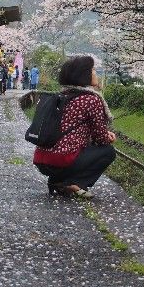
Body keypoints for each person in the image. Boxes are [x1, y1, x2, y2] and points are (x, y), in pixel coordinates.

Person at [33, 55, 116, 198]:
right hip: (62, 160)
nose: (95, 73)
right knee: (107, 151)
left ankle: (57, 181)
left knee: (73, 147)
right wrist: (107, 136)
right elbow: (100, 138)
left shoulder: (61, 95)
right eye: (93, 70)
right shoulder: (91, 99)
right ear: (84, 75)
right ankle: (75, 182)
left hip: (41, 160)